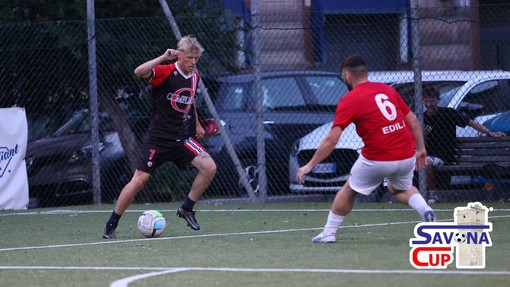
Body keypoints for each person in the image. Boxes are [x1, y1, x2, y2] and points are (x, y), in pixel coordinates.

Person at [297, 54, 435, 243]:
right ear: (365, 73)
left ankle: (328, 233)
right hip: (406, 154)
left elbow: (331, 139)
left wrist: (309, 165)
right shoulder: (387, 90)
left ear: (347, 76)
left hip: (377, 159)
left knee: (349, 190)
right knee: (397, 188)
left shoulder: (350, 99)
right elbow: (413, 120)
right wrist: (421, 149)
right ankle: (425, 209)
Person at [102, 35, 217, 239]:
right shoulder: (166, 71)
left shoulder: (195, 76)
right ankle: (111, 224)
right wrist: (163, 57)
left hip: (182, 138)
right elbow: (139, 72)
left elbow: (191, 101)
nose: (193, 62)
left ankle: (186, 209)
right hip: (158, 139)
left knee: (209, 168)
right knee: (139, 181)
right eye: (189, 57)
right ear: (179, 55)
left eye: (196, 59)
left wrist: (197, 124)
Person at [423, 85, 505, 203]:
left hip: (444, 155)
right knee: (415, 161)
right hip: (428, 153)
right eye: (426, 101)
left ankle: (433, 195)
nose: (429, 104)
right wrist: (423, 135)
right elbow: (418, 142)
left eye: (432, 101)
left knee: (426, 163)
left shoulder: (448, 113)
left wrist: (489, 132)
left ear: (438, 100)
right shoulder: (422, 117)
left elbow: (470, 123)